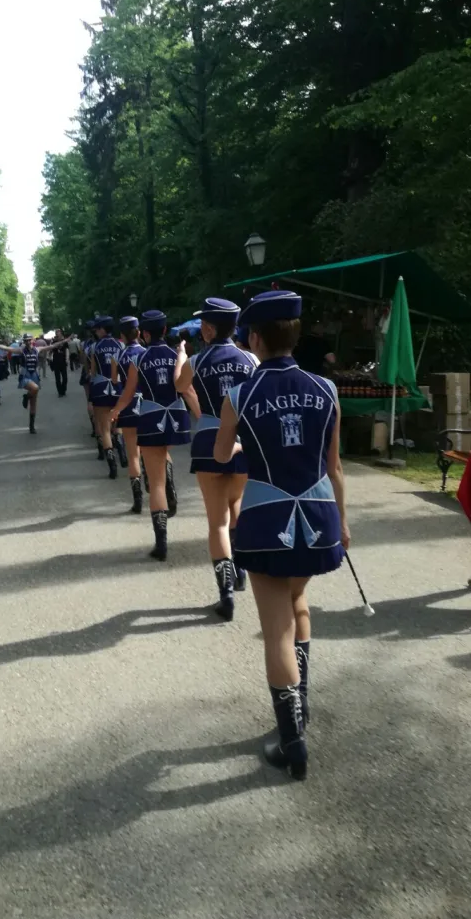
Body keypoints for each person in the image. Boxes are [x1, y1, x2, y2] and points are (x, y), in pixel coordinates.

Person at [213, 290, 349, 781]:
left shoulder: (241, 394)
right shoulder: (327, 390)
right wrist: (345, 522)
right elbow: (333, 467)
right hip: (320, 517)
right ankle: (302, 704)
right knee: (299, 607)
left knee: (277, 632)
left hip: (268, 521)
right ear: (293, 333)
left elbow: (223, 454)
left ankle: (292, 742)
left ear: (254, 337)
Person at [174, 298, 259, 620]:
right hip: (242, 439)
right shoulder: (250, 358)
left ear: (208, 328)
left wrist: (182, 357)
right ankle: (240, 570)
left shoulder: (198, 359)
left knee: (217, 521)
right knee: (237, 506)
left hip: (209, 437)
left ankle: (225, 594)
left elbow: (180, 386)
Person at [111, 310, 192, 560]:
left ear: (145, 333)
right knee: (165, 453)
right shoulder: (177, 356)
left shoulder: (141, 359)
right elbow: (187, 389)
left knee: (154, 481)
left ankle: (162, 543)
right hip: (177, 417)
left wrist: (116, 411)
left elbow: (128, 393)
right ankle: (172, 484)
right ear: (165, 330)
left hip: (151, 417)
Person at [0, 333, 65, 433]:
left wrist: (66, 340)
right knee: (35, 388)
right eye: (26, 340)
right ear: (24, 342)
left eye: (29, 340)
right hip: (25, 375)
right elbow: (7, 348)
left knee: (34, 402)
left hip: (34, 375)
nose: (28, 342)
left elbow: (52, 346)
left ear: (32, 340)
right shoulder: (21, 350)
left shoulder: (37, 349)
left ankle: (31, 426)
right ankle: (26, 397)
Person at [112, 316, 146, 512]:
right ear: (139, 333)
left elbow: (115, 380)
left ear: (122, 336)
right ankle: (168, 490)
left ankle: (138, 499)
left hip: (127, 404)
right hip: (147, 405)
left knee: (133, 454)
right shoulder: (146, 353)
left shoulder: (118, 356)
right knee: (158, 452)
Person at [89, 315, 127, 478]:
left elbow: (93, 370)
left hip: (101, 386)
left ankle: (112, 464)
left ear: (103, 329)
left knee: (104, 428)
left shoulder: (94, 347)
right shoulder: (121, 344)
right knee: (117, 421)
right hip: (118, 386)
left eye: (97, 329)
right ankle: (120, 445)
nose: (96, 332)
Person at [79, 319, 98, 439]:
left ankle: (94, 427)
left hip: (88, 373)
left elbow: (82, 360)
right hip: (104, 373)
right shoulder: (102, 343)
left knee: (90, 401)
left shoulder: (84, 344)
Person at [51, 329, 69, 397]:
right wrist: (50, 359)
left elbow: (67, 350)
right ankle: (60, 392)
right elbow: (51, 351)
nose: (58, 334)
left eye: (59, 333)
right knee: (57, 378)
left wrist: (67, 359)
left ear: (61, 334)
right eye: (57, 333)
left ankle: (63, 389)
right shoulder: (54, 342)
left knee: (65, 378)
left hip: (63, 361)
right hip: (56, 361)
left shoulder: (65, 342)